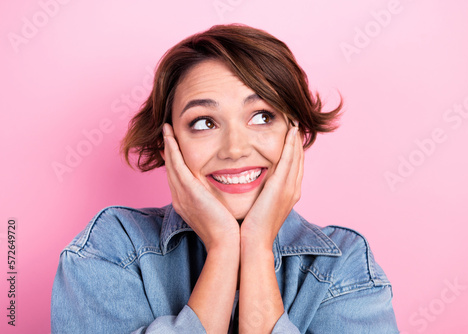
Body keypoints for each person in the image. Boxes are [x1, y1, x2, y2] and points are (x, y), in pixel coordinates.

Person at [51, 24, 399, 333]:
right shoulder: (111, 249)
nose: (235, 149)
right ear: (168, 142)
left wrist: (258, 247)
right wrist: (223, 247)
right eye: (204, 122)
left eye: (262, 116)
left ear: (296, 131)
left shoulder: (344, 265)